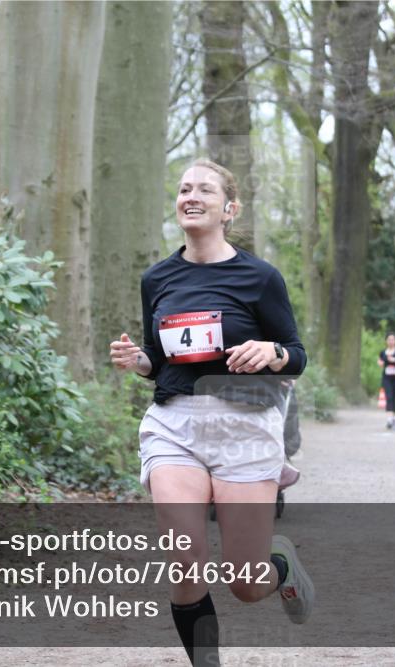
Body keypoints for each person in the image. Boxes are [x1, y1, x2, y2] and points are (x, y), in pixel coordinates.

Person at [109, 158, 314, 666]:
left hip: (244, 425)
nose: (191, 196)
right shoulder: (157, 278)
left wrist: (273, 353)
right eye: (183, 189)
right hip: (174, 425)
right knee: (184, 563)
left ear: (230, 208)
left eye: (204, 189)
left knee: (245, 583)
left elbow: (296, 352)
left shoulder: (260, 278)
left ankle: (279, 568)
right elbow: (161, 361)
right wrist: (140, 361)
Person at [377, 333, 395, 429]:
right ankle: (389, 419)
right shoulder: (383, 352)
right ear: (386, 341)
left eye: (392, 339)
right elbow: (379, 362)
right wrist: (382, 362)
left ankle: (393, 417)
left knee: (394, 398)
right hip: (386, 378)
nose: (391, 341)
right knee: (389, 397)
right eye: (389, 339)